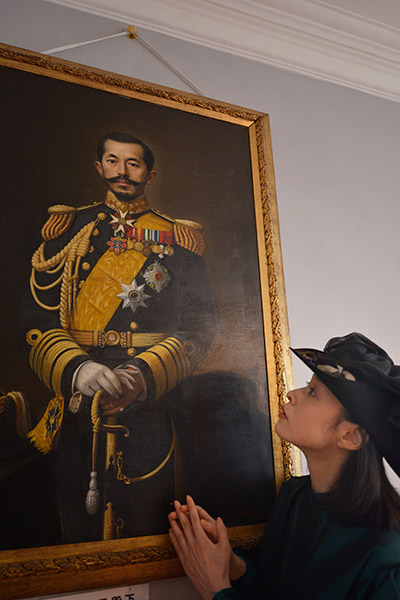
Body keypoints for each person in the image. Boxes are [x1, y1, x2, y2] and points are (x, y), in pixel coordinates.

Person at [17, 132, 218, 542]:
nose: (122, 172)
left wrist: (143, 374)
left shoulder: (176, 238)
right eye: (113, 161)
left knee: (145, 521)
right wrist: (77, 368)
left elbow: (201, 326)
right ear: (99, 167)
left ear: (149, 174)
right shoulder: (71, 228)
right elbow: (34, 319)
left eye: (133, 163)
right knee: (73, 526)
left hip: (148, 402)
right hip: (77, 398)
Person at [169, 332, 400, 599]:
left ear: (350, 436)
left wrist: (215, 589)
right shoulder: (294, 496)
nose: (291, 394)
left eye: (312, 392)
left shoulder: (387, 554)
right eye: (307, 385)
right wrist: (234, 565)